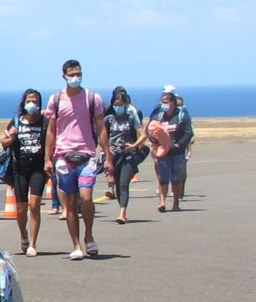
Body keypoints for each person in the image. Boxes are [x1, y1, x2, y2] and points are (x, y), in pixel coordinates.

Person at [43, 58, 108, 260]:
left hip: (87, 154)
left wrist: (107, 154)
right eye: (71, 74)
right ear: (64, 76)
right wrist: (48, 157)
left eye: (78, 74)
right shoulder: (56, 100)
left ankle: (89, 235)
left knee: (86, 197)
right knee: (69, 203)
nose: (75, 77)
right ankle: (76, 244)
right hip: (63, 156)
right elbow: (51, 130)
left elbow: (100, 126)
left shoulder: (92, 98)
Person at [0, 89, 49, 256]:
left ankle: (33, 244)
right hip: (19, 168)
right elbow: (4, 143)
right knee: (21, 209)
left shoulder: (45, 121)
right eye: (29, 100)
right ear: (23, 103)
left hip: (38, 168)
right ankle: (23, 235)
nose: (32, 104)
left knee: (34, 205)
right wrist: (12, 137)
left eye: (35, 101)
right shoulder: (15, 121)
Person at [147, 85, 195, 211]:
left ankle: (176, 202)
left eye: (166, 102)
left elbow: (188, 132)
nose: (164, 105)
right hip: (163, 152)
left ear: (173, 103)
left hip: (177, 152)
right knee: (163, 178)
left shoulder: (182, 116)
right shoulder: (158, 116)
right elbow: (149, 130)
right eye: (162, 103)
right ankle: (162, 202)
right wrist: (154, 140)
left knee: (176, 178)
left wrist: (179, 144)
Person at [104, 86, 146, 225]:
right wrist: (106, 148)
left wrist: (133, 146)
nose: (118, 107)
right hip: (113, 155)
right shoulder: (109, 119)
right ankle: (121, 207)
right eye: (115, 105)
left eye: (120, 105)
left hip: (127, 155)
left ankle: (122, 212)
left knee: (123, 184)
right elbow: (101, 136)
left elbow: (143, 134)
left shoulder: (131, 117)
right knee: (116, 183)